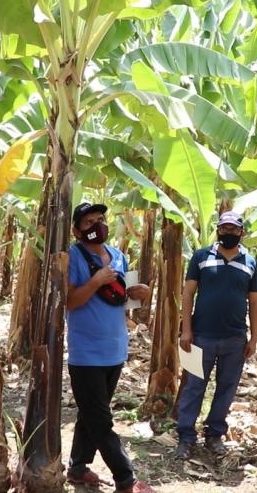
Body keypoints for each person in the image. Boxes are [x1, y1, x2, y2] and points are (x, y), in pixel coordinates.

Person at [65, 202, 155, 493]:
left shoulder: (119, 256)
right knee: (101, 420)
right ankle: (126, 479)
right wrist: (95, 281)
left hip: (115, 349)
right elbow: (70, 301)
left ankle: (78, 467)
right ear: (77, 230)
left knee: (90, 414)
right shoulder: (72, 256)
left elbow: (126, 301)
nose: (96, 226)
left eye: (100, 219)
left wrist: (141, 295)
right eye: (89, 222)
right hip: (86, 353)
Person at [175, 210, 257, 459]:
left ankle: (214, 434)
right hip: (200, 335)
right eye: (224, 228)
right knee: (193, 387)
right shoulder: (201, 256)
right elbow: (188, 293)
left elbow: (255, 302)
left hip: (235, 338)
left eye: (233, 229)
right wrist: (186, 330)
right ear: (218, 230)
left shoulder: (250, 262)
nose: (228, 233)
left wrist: (254, 338)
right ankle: (186, 436)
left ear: (241, 232)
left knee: (227, 387)